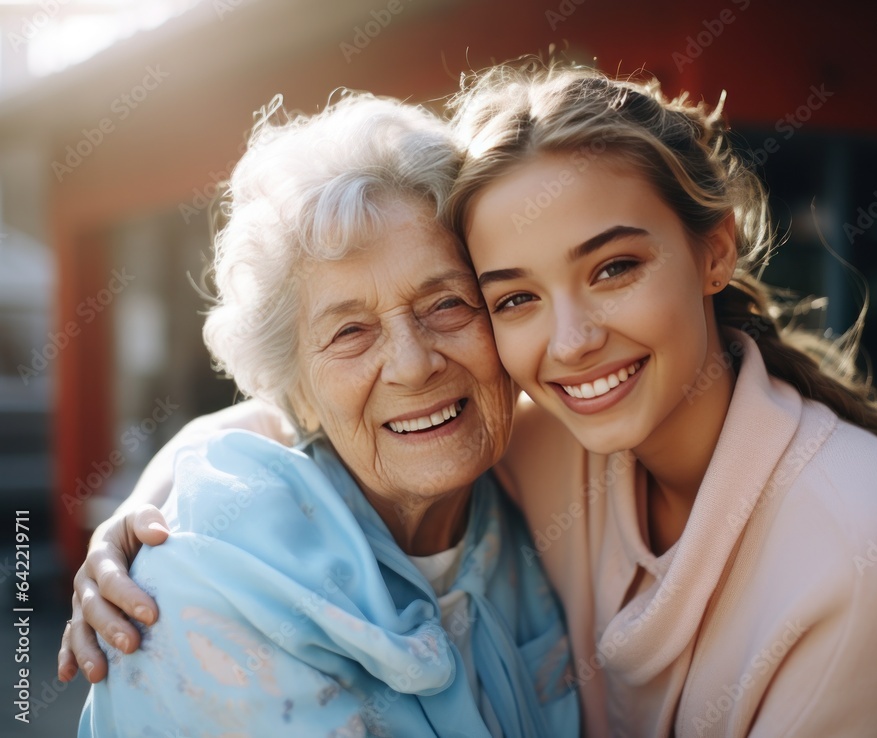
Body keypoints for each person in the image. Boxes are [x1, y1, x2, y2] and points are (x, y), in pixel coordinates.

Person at [64, 62, 877, 737]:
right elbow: (309, 412)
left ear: (716, 250)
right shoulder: (545, 438)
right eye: (513, 296)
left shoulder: (875, 563)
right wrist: (168, 503)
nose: (571, 341)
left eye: (615, 267)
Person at [73, 91, 578, 738]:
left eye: (447, 304)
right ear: (296, 389)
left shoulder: (540, 495)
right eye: (350, 333)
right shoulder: (201, 590)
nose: (413, 364)